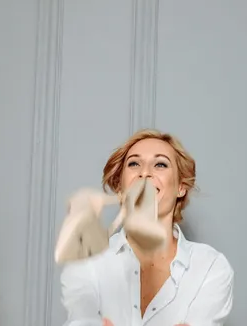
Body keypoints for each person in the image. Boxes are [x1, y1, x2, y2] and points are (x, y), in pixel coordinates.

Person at [60, 129, 234, 326]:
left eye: (160, 164)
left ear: (181, 187)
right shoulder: (87, 262)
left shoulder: (210, 267)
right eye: (134, 163)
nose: (145, 172)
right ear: (119, 186)